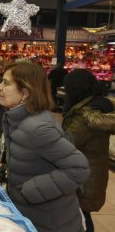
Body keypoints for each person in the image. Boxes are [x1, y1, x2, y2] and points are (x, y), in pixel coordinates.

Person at [0, 62, 90, 232]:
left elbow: (79, 168)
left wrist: (32, 190)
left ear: (25, 93)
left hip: (51, 223)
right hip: (31, 216)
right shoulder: (17, 119)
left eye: (6, 83)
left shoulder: (37, 128)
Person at [61, 69, 115, 232]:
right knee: (81, 214)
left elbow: (66, 144)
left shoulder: (85, 116)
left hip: (84, 177)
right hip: (92, 171)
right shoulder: (98, 105)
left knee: (81, 216)